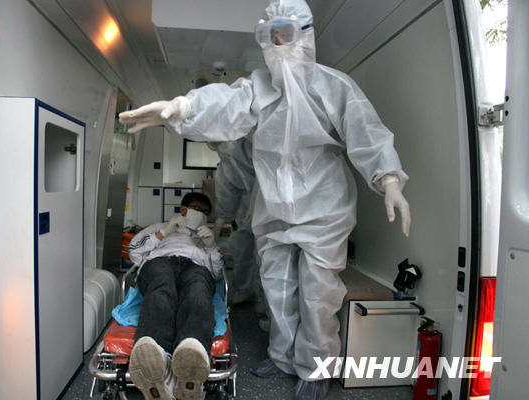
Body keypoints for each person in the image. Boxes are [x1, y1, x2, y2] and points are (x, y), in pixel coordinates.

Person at [120, 1, 411, 398]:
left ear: (305, 34)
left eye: (284, 34)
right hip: (273, 212)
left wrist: (389, 179)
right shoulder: (258, 88)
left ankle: (316, 369)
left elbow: (367, 133)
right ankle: (282, 355)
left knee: (317, 295)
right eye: (269, 36)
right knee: (276, 289)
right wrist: (181, 108)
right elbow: (226, 103)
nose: (276, 44)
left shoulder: (335, 87)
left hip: (324, 211)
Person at [126, 192, 222, 400]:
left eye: (206, 212)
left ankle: (191, 355)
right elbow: (133, 251)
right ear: (183, 209)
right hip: (160, 262)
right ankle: (156, 359)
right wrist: (164, 232)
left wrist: (211, 246)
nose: (201, 214)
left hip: (196, 267)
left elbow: (217, 274)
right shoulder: (159, 227)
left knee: (198, 289)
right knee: (162, 285)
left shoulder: (206, 234)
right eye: (197, 209)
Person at [209, 135, 264, 309]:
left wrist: (255, 206)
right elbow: (227, 195)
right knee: (243, 249)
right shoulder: (226, 164)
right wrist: (217, 227)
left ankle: (264, 302)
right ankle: (244, 290)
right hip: (246, 213)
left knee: (265, 255)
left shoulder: (255, 146)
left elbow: (265, 177)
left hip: (270, 207)